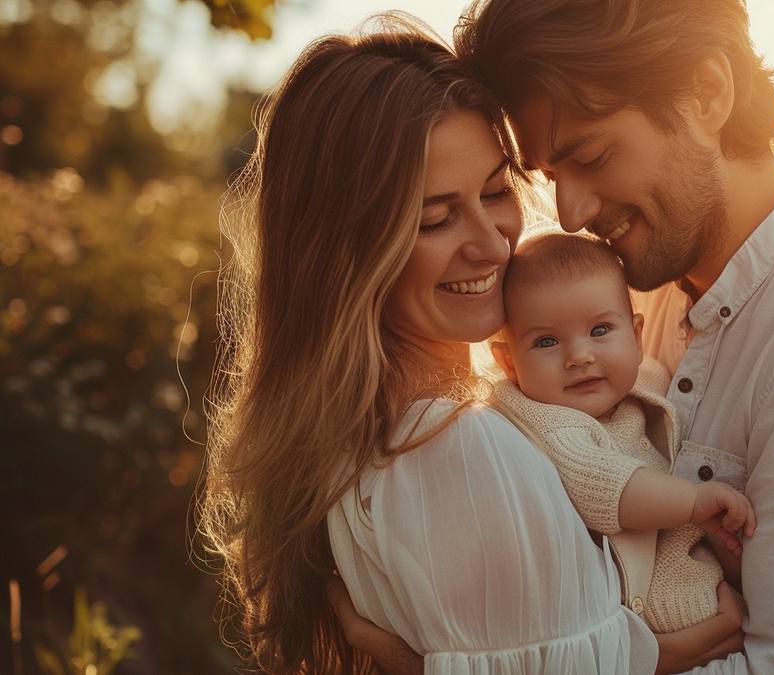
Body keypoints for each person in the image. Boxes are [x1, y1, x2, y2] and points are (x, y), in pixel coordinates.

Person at [198, 17, 743, 675]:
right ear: (346, 254)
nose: (492, 244)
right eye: (435, 218)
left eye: (495, 192)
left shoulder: (390, 435)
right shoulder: (459, 450)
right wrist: (654, 656)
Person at [452, 0, 774, 672]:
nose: (572, 212)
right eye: (554, 178)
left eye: (592, 156)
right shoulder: (635, 290)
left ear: (707, 91)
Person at [488, 232, 756, 635]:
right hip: (649, 608)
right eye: (547, 341)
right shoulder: (542, 419)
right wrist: (695, 501)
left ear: (635, 336)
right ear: (509, 363)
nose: (579, 356)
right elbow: (606, 485)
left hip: (699, 576)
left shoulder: (649, 379)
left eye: (599, 330)